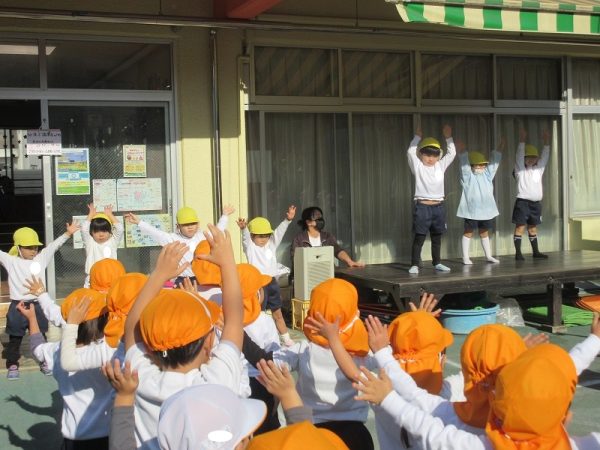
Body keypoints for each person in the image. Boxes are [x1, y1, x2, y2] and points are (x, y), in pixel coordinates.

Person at [123, 226, 249, 450]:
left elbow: (131, 327)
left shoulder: (142, 378)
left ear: (150, 344)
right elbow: (235, 320)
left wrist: (159, 274)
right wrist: (228, 263)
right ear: (209, 342)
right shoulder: (217, 380)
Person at [354, 343, 600, 450]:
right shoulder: (584, 445)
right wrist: (594, 340)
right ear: (564, 414)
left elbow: (427, 426)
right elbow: (562, 372)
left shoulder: (469, 437)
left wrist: (388, 397)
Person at [275, 278, 376, 450]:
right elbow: (392, 363)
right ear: (355, 313)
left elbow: (274, 361)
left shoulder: (304, 349)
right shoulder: (364, 352)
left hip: (312, 429)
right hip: (354, 431)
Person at [16, 289, 113, 449]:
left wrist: (32, 318)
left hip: (73, 436)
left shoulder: (57, 351)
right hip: (108, 434)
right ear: (104, 320)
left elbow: (36, 347)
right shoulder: (106, 352)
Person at [1, 223, 78, 379]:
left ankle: (45, 361)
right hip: (18, 306)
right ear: (18, 248)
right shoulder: (11, 261)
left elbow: (53, 246)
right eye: (28, 247)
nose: (33, 250)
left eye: (35, 247)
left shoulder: (41, 258)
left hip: (37, 304)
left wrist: (68, 234)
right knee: (15, 338)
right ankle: (12, 364)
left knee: (41, 335)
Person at [125, 204, 234, 285]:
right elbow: (155, 233)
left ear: (198, 224)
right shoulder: (173, 239)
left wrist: (225, 215)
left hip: (202, 279)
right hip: (182, 280)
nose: (190, 227)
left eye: (193, 223)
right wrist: (139, 222)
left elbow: (218, 230)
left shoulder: (202, 236)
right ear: (178, 226)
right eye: (186, 224)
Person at [237, 205, 296, 346]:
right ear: (253, 236)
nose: (264, 239)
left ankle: (286, 338)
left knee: (278, 313)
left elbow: (279, 232)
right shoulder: (250, 248)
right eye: (260, 236)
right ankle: (257, 340)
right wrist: (244, 229)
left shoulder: (271, 244)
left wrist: (287, 220)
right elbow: (245, 239)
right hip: (258, 285)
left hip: (272, 283)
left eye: (266, 235)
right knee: (258, 314)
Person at [236, 263, 282, 434]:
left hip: (236, 381)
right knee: (266, 426)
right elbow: (274, 354)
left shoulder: (224, 320)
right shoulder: (265, 320)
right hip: (262, 379)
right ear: (257, 294)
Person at [407, 125, 456, 274]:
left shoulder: (440, 166)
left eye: (434, 155)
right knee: (420, 237)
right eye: (427, 155)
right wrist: (417, 137)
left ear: (438, 156)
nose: (430, 158)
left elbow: (452, 153)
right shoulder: (418, 166)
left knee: (437, 238)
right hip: (422, 207)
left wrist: (448, 137)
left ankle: (437, 263)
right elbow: (410, 151)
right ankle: (415, 264)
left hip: (438, 207)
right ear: (421, 154)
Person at [456, 139, 502, 265]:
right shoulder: (467, 177)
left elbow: (494, 165)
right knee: (468, 232)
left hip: (486, 211)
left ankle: (488, 256)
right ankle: (465, 257)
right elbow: (464, 166)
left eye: (483, 165)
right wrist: (463, 152)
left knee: (484, 233)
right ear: (472, 166)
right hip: (471, 211)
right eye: (478, 165)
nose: (482, 167)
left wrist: (499, 149)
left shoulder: (487, 175)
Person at [512, 128, 550, 260]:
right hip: (522, 203)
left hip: (536, 204)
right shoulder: (520, 170)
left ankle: (536, 252)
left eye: (533, 157)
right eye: (528, 157)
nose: (531, 159)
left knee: (533, 228)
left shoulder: (539, 169)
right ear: (523, 158)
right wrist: (522, 140)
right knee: (520, 227)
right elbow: (519, 155)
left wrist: (546, 142)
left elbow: (545, 157)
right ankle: (518, 253)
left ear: (537, 159)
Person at [291, 206, 363, 268]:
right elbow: (296, 260)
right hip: (308, 274)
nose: (321, 220)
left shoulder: (327, 236)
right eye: (317, 218)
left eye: (321, 217)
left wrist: (349, 261)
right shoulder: (299, 239)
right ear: (308, 222)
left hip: (328, 272)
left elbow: (338, 250)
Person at [81, 203, 124, 287]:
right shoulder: (90, 242)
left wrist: (110, 215)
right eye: (96, 231)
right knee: (91, 295)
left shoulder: (113, 241)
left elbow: (120, 229)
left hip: (111, 277)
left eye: (104, 231)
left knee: (111, 295)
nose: (101, 234)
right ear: (91, 233)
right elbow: (84, 229)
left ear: (110, 231)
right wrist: (90, 215)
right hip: (92, 278)